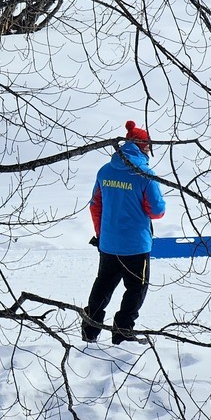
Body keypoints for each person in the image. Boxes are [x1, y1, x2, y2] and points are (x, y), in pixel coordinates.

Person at [82, 120, 165, 344]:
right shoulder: (144, 174)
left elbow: (95, 205)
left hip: (108, 244)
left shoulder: (105, 170)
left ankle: (89, 331)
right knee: (136, 290)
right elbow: (157, 211)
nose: (149, 151)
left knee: (103, 286)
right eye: (148, 147)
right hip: (136, 247)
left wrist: (101, 234)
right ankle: (122, 332)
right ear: (141, 146)